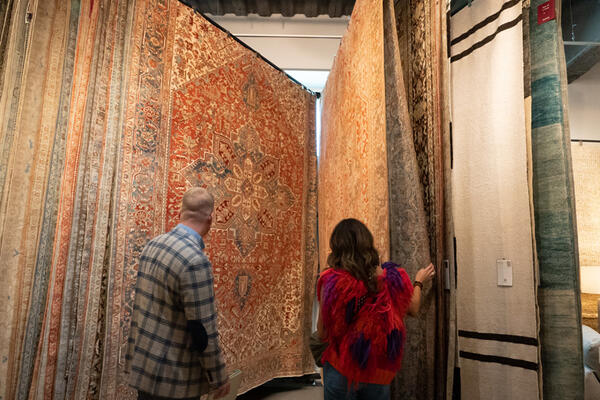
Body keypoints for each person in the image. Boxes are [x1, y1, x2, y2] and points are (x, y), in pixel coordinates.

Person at [126, 187, 230, 400]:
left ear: (180, 213)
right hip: (175, 377)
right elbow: (202, 330)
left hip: (145, 366)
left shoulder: (151, 245)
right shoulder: (195, 261)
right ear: (210, 219)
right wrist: (218, 377)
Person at [317, 218, 435, 400]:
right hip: (378, 371)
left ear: (337, 247)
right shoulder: (392, 278)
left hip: (341, 368)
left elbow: (322, 332)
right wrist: (418, 281)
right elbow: (413, 309)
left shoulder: (330, 280)